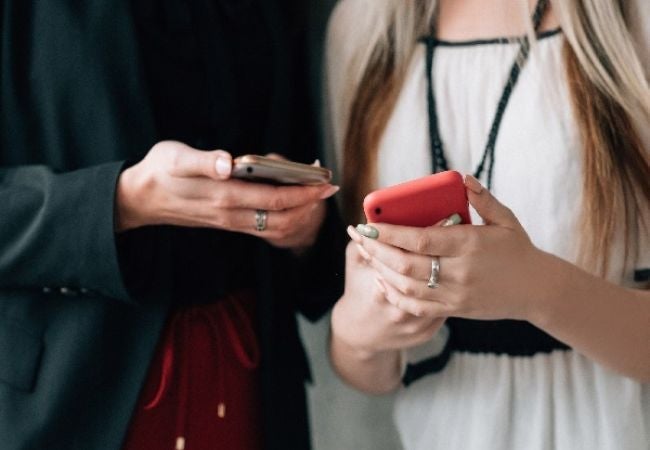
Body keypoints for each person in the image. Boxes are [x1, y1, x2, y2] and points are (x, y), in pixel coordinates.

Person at [0, 1, 345, 449]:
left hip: (252, 380)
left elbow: (309, 152)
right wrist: (124, 200)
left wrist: (306, 226)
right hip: (67, 400)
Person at [326, 0, 650, 448]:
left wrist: (537, 289)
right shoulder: (362, 26)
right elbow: (372, 375)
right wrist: (356, 335)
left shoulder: (634, 19)